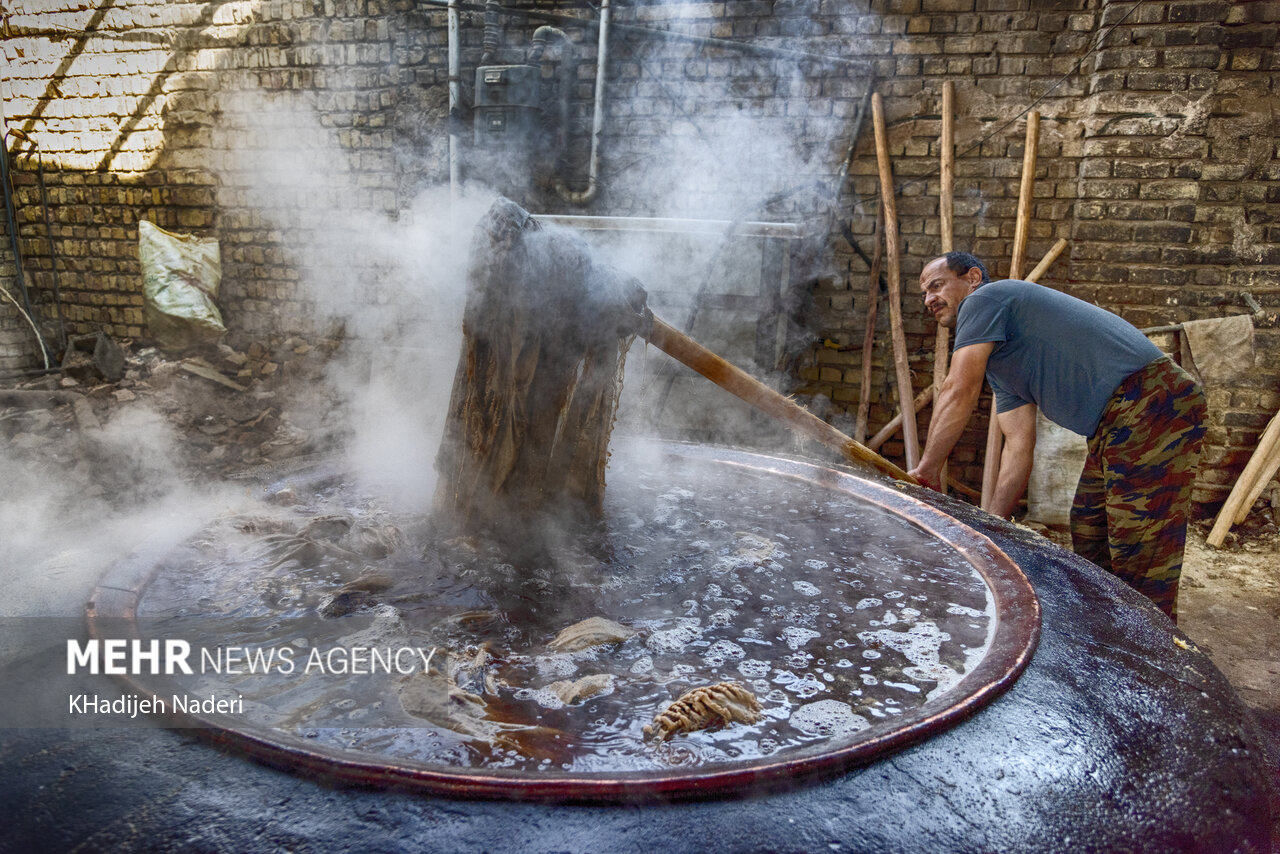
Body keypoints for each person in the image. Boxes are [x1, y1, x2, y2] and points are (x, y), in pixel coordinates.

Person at [907, 251, 1207, 621]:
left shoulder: (986, 298)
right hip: (1114, 422)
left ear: (971, 278)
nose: (929, 300)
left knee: (1140, 543)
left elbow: (957, 388)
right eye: (924, 294)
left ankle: (1155, 649)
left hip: (1151, 399)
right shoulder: (1003, 365)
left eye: (936, 286)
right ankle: (1107, 627)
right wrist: (991, 528)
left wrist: (928, 469)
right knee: (1090, 526)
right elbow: (1018, 446)